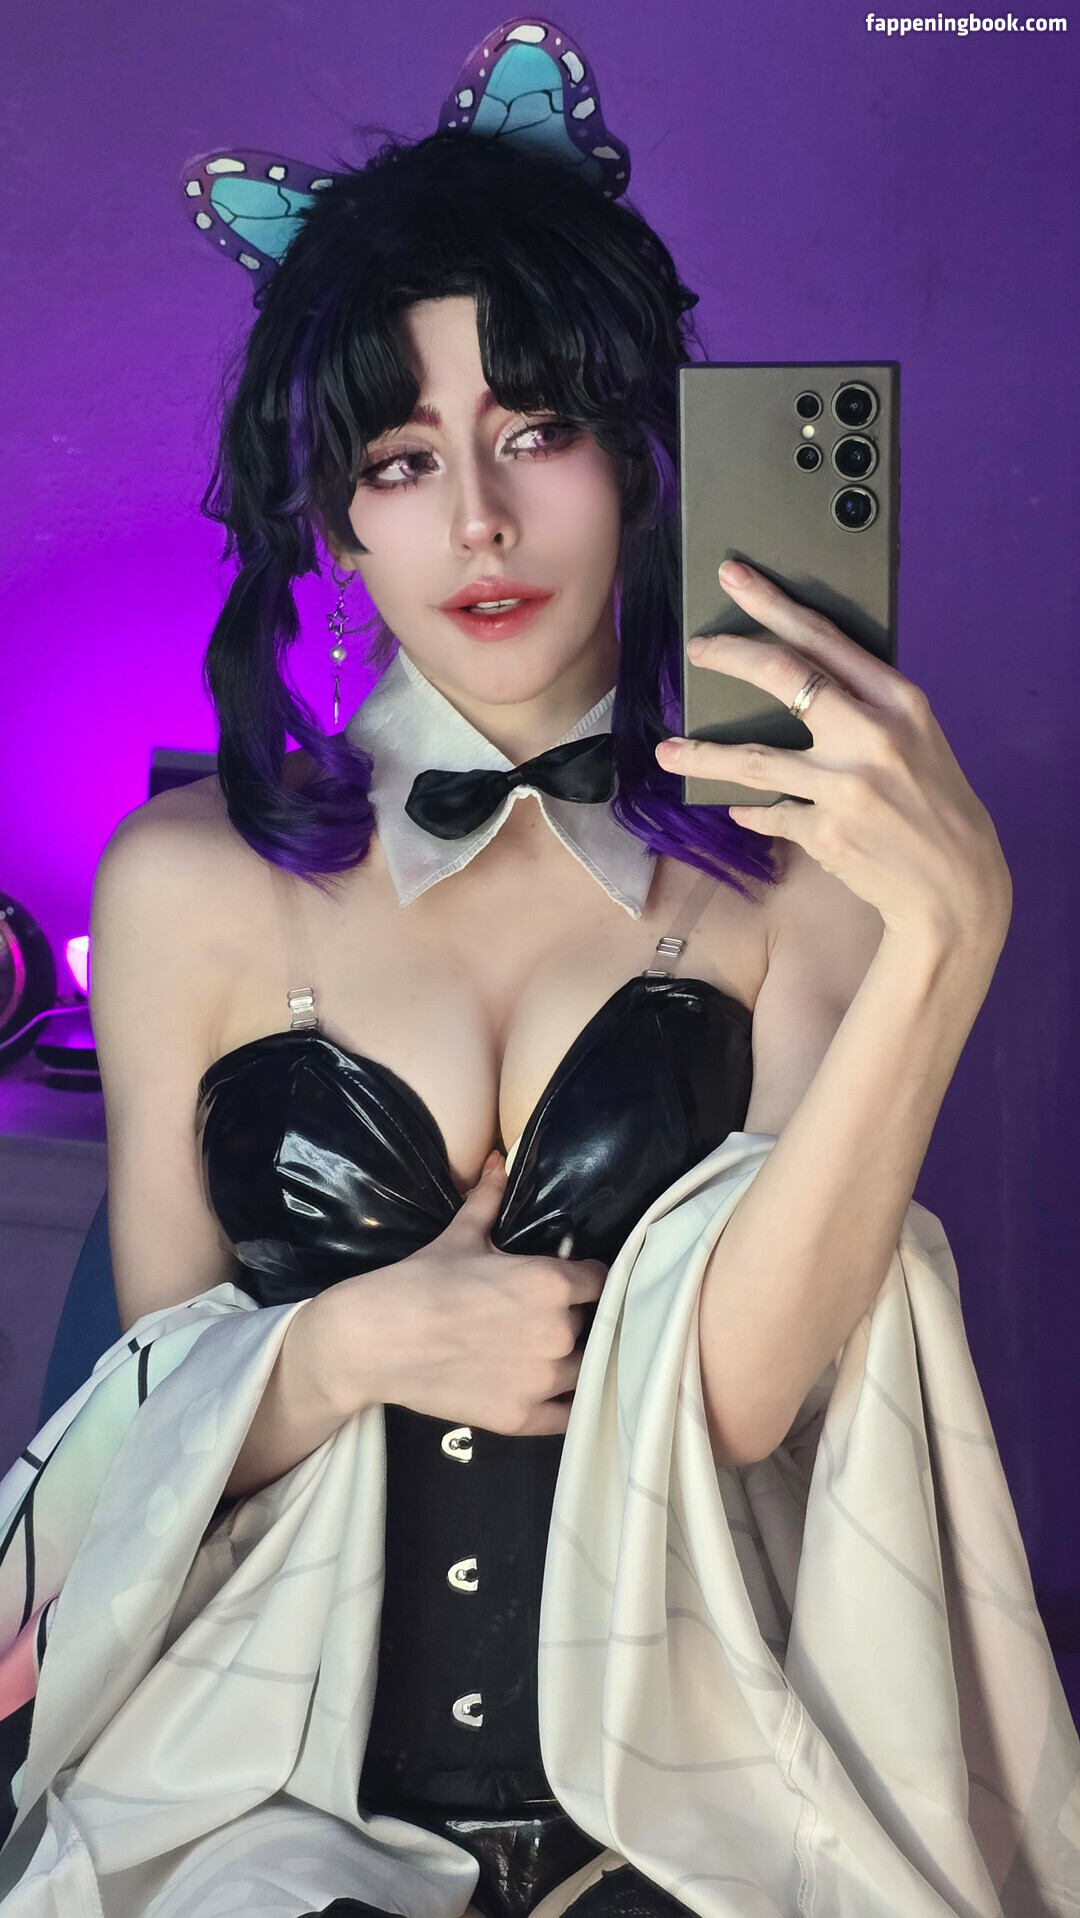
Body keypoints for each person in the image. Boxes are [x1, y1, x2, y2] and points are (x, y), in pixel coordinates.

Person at [2, 20, 1077, 1918]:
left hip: (689, 1782)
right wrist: (357, 1341)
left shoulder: (797, 868)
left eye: (536, 432)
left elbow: (751, 1395)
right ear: (335, 519)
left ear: (642, 458)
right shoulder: (181, 884)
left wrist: (948, 940)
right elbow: (151, 1413)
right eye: (404, 458)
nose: (479, 523)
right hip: (266, 1785)